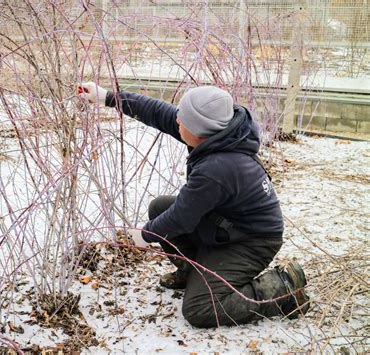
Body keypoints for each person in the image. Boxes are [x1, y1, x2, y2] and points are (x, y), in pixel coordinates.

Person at [78, 82, 310, 328]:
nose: (176, 120)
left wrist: (144, 235)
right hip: (229, 225)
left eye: (183, 119)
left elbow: (181, 218)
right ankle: (192, 274)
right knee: (160, 208)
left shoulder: (217, 168)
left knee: (200, 309)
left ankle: (283, 290)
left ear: (201, 131)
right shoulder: (218, 134)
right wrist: (108, 97)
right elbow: (158, 112)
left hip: (253, 241)